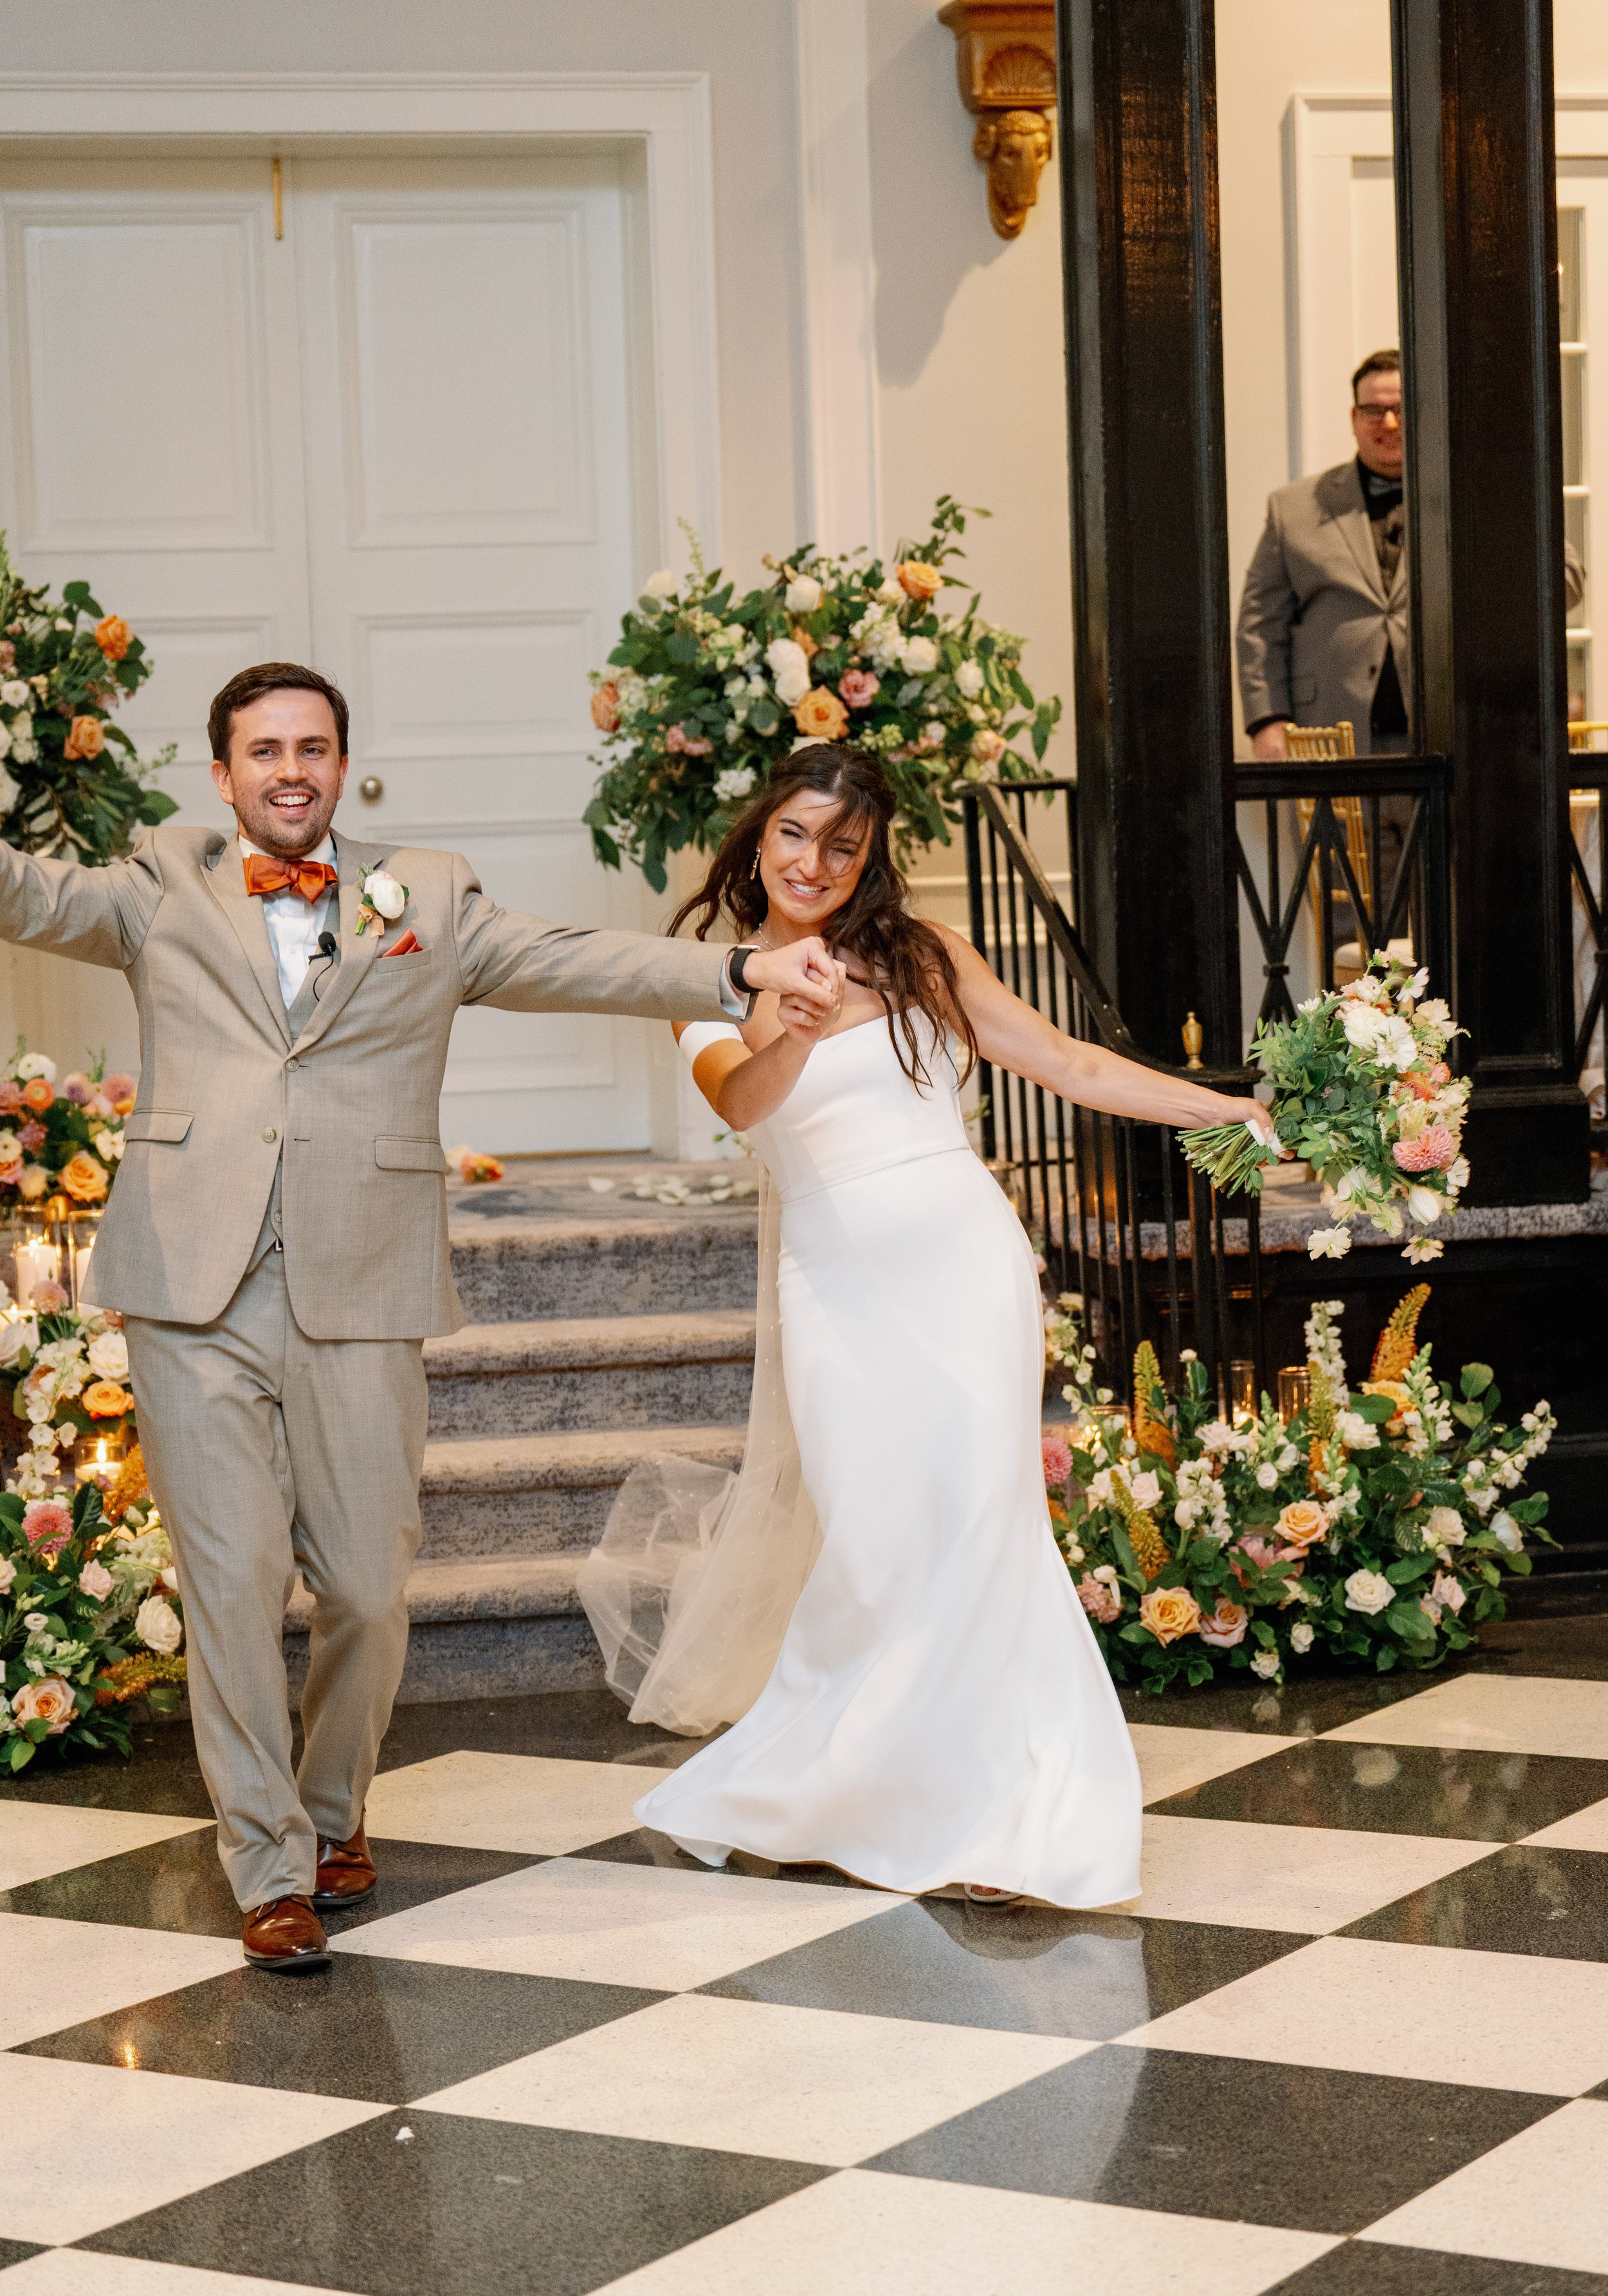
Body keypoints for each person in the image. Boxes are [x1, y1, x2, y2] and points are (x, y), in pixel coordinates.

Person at [0, 661, 841, 1971]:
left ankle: (335, 1812)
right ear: (222, 775)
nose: (290, 769)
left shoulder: (427, 894)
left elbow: (572, 958)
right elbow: (25, 892)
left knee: (367, 1587)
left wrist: (737, 968)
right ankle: (268, 1866)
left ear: (342, 764)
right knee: (226, 1588)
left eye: (313, 747)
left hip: (359, 1277)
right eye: (264, 750)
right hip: (189, 1285)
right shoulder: (159, 880)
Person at [578, 744, 1280, 1909]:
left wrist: (1225, 1111)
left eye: (842, 847)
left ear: (869, 862)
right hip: (837, 1286)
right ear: (761, 837)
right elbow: (742, 1106)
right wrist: (791, 1020)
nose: (815, 862)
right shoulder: (707, 975)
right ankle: (845, 1788)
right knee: (876, 1544)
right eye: (796, 835)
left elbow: (1062, 1060)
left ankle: (1000, 1812)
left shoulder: (923, 955)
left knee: (982, 1527)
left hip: (966, 1265)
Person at [1237, 345, 1585, 760]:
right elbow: (1259, 625)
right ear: (1353, 419)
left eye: (1403, 408)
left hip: (1463, 739)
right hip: (1327, 742)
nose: (1388, 423)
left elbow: (1566, 580)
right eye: (1372, 410)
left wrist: (1485, 574)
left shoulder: (1484, 497)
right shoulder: (1291, 508)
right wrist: (1266, 721)